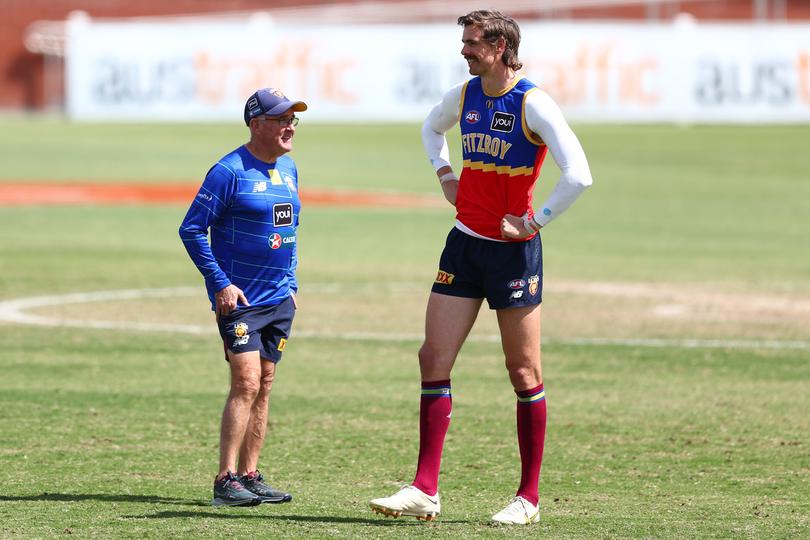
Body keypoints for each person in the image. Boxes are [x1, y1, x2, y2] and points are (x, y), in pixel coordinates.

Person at [369, 10, 593, 525]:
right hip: (464, 244)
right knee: (433, 358)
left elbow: (578, 174)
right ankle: (425, 488)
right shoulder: (465, 95)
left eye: (471, 43)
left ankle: (528, 499)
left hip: (513, 253)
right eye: (464, 42)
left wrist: (536, 222)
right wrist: (444, 172)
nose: (464, 51)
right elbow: (430, 128)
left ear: (499, 46)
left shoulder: (533, 103)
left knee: (523, 371)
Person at [179, 88, 307, 507]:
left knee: (265, 384)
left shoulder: (288, 168)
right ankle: (224, 479)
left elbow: (290, 234)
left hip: (279, 299)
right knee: (246, 381)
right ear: (257, 124)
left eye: (293, 119)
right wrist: (219, 283)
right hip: (240, 300)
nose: (290, 126)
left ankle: (251, 475)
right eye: (281, 119)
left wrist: (292, 284)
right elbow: (192, 229)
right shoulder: (228, 171)